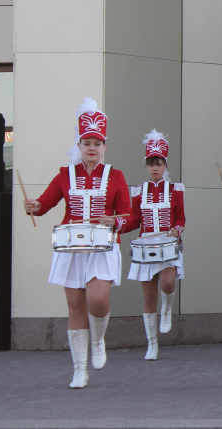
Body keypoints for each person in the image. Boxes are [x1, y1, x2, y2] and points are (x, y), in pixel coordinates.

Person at [22, 98, 131, 388]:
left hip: (103, 247)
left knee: (98, 300)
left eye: (97, 143)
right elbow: (45, 203)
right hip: (71, 247)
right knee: (75, 307)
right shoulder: (65, 175)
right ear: (79, 145)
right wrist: (34, 206)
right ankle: (79, 369)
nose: (92, 148)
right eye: (87, 143)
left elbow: (129, 217)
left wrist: (115, 221)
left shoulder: (116, 176)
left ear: (104, 146)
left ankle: (98, 339)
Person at [120, 129, 185, 361]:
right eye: (151, 164)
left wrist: (177, 228)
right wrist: (117, 225)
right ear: (146, 166)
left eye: (159, 163)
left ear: (165, 165)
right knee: (148, 299)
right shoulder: (138, 191)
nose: (155, 168)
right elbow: (134, 220)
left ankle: (167, 309)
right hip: (146, 247)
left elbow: (181, 218)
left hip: (168, 245)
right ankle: (152, 343)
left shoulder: (176, 190)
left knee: (168, 283)